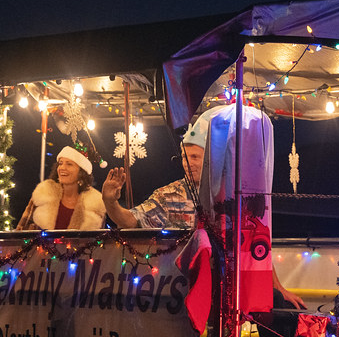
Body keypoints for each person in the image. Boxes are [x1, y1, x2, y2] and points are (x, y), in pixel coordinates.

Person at [101, 115, 305, 310]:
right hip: (181, 288)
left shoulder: (231, 194)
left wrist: (278, 287)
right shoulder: (169, 194)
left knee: (276, 303)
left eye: (195, 157)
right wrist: (110, 202)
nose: (187, 163)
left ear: (210, 159)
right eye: (184, 157)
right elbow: (131, 221)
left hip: (228, 288)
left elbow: (255, 245)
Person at [16, 146, 105, 230]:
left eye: (69, 164)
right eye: (60, 163)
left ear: (82, 172)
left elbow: (100, 239)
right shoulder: (44, 193)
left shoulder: (96, 204)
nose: (62, 168)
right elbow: (21, 231)